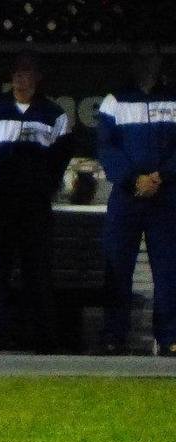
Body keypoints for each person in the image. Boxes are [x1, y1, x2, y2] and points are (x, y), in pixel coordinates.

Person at [0, 51, 73, 354]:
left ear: (37, 77)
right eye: (16, 73)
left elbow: (60, 155)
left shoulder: (54, 113)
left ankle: (42, 339)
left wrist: (38, 180)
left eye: (27, 73)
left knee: (37, 271)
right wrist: (6, 174)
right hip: (1, 201)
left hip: (36, 203)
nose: (21, 78)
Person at [97, 48, 176, 356]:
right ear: (134, 63)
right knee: (117, 266)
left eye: (153, 59)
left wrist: (162, 176)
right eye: (143, 59)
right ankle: (114, 336)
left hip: (166, 194)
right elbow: (106, 147)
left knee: (169, 268)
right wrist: (134, 179)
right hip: (127, 195)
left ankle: (169, 337)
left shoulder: (172, 98)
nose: (148, 65)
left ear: (160, 64)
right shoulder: (114, 101)